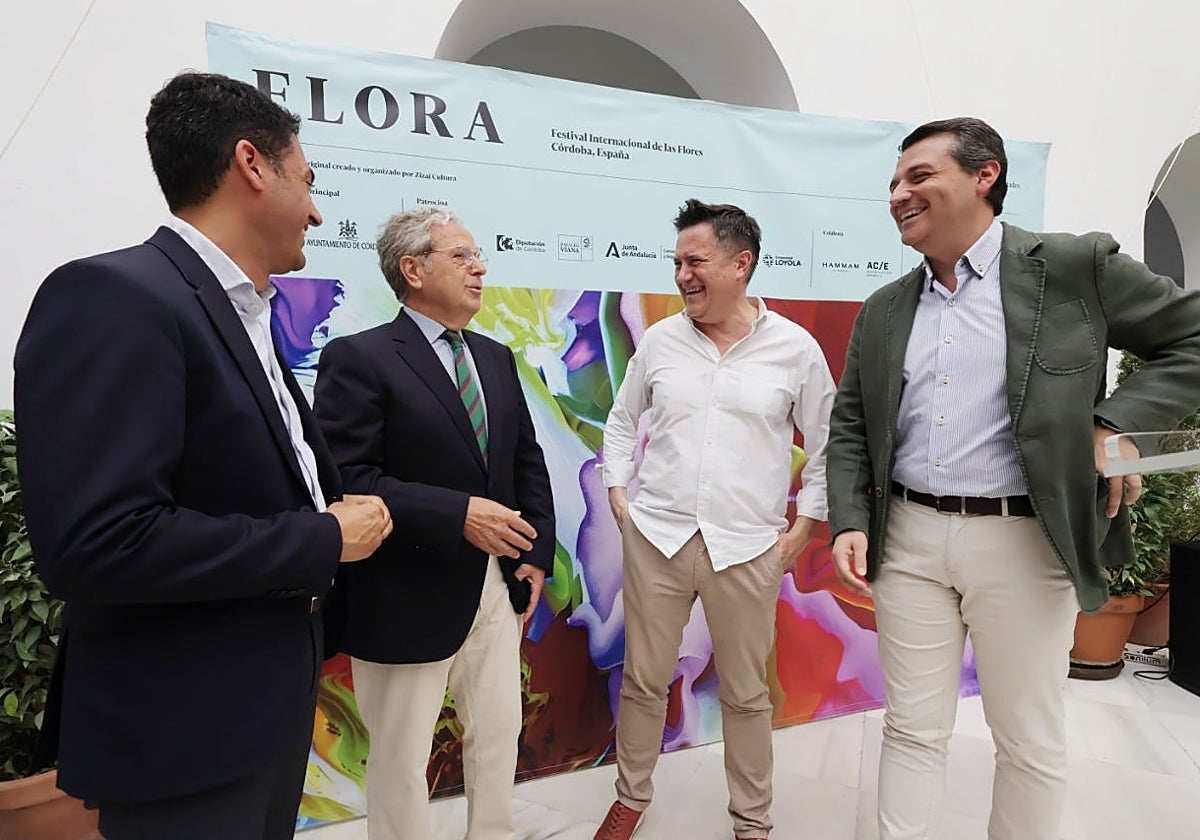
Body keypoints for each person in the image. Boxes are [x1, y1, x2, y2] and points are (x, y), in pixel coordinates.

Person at [13, 72, 392, 840]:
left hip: (265, 714)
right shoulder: (115, 297)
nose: (318, 211)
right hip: (182, 738)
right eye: (309, 180)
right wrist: (323, 536)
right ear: (254, 165)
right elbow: (99, 542)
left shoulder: (242, 313)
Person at [826, 116, 1200, 840]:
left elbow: (1192, 336)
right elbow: (850, 426)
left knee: (1027, 739)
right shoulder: (884, 310)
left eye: (918, 176)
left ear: (984, 175)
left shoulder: (1072, 267)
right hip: (907, 538)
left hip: (1026, 539)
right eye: (894, 184)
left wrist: (1117, 422)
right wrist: (848, 518)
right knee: (910, 729)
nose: (899, 194)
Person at [594, 199, 835, 840]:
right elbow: (621, 424)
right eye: (676, 263)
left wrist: (803, 527)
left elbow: (829, 447)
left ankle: (751, 822)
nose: (681, 276)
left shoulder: (795, 349)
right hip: (658, 538)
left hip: (748, 548)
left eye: (695, 261)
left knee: (748, 694)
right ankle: (630, 799)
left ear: (740, 263)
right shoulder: (661, 340)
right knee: (644, 682)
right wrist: (619, 490)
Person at [313, 206, 555, 840]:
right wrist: (457, 516)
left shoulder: (497, 358)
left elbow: (524, 460)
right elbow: (347, 477)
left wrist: (537, 551)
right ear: (412, 269)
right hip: (402, 594)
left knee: (499, 735)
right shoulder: (359, 358)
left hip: (495, 589)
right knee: (399, 758)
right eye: (462, 256)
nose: (480, 267)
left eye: (478, 255)